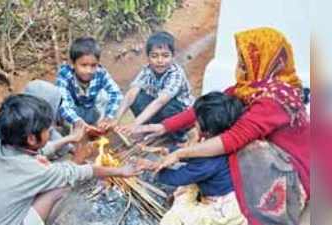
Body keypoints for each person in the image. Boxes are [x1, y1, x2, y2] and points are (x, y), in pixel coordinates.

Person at [135, 27, 310, 225]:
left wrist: (180, 154)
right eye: (241, 62)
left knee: (242, 150)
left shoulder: (274, 98)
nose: (240, 69)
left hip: (292, 165)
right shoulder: (252, 86)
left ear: (264, 61)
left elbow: (232, 139)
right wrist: (163, 127)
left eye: (244, 63)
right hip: (265, 158)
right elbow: (204, 108)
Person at [0, 94, 140, 225]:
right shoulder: (36, 171)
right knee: (58, 189)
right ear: (31, 138)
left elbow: (41, 150)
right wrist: (119, 171)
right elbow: (80, 171)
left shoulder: (4, 147)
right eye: (47, 129)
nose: (50, 130)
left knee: (47, 170)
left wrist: (69, 139)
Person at [138, 92, 247, 225]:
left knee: (173, 218)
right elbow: (194, 154)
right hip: (233, 194)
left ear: (207, 129)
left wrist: (152, 168)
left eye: (197, 120)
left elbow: (178, 177)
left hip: (225, 210)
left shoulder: (209, 161)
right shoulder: (218, 142)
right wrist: (168, 151)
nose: (194, 122)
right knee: (188, 190)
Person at [0, 80, 72, 197]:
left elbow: (48, 131)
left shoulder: (15, 118)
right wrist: (76, 161)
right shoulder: (16, 130)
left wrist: (70, 144)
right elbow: (36, 159)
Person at [113, 31, 193, 142]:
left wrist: (134, 124)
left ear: (173, 56)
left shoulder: (176, 74)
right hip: (158, 108)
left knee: (168, 108)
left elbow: (160, 102)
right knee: (137, 98)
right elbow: (131, 93)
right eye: (154, 56)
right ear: (148, 57)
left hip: (180, 112)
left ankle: (177, 137)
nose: (160, 61)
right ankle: (147, 129)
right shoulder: (147, 70)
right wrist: (115, 120)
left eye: (165, 56)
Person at [56, 37, 122, 132]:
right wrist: (78, 122)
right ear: (73, 63)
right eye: (83, 65)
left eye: (93, 65)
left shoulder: (100, 72)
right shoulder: (65, 74)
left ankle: (99, 127)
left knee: (104, 95)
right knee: (56, 99)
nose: (89, 70)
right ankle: (72, 132)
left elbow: (116, 94)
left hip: (92, 111)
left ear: (98, 63)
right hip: (73, 115)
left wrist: (108, 117)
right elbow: (63, 104)